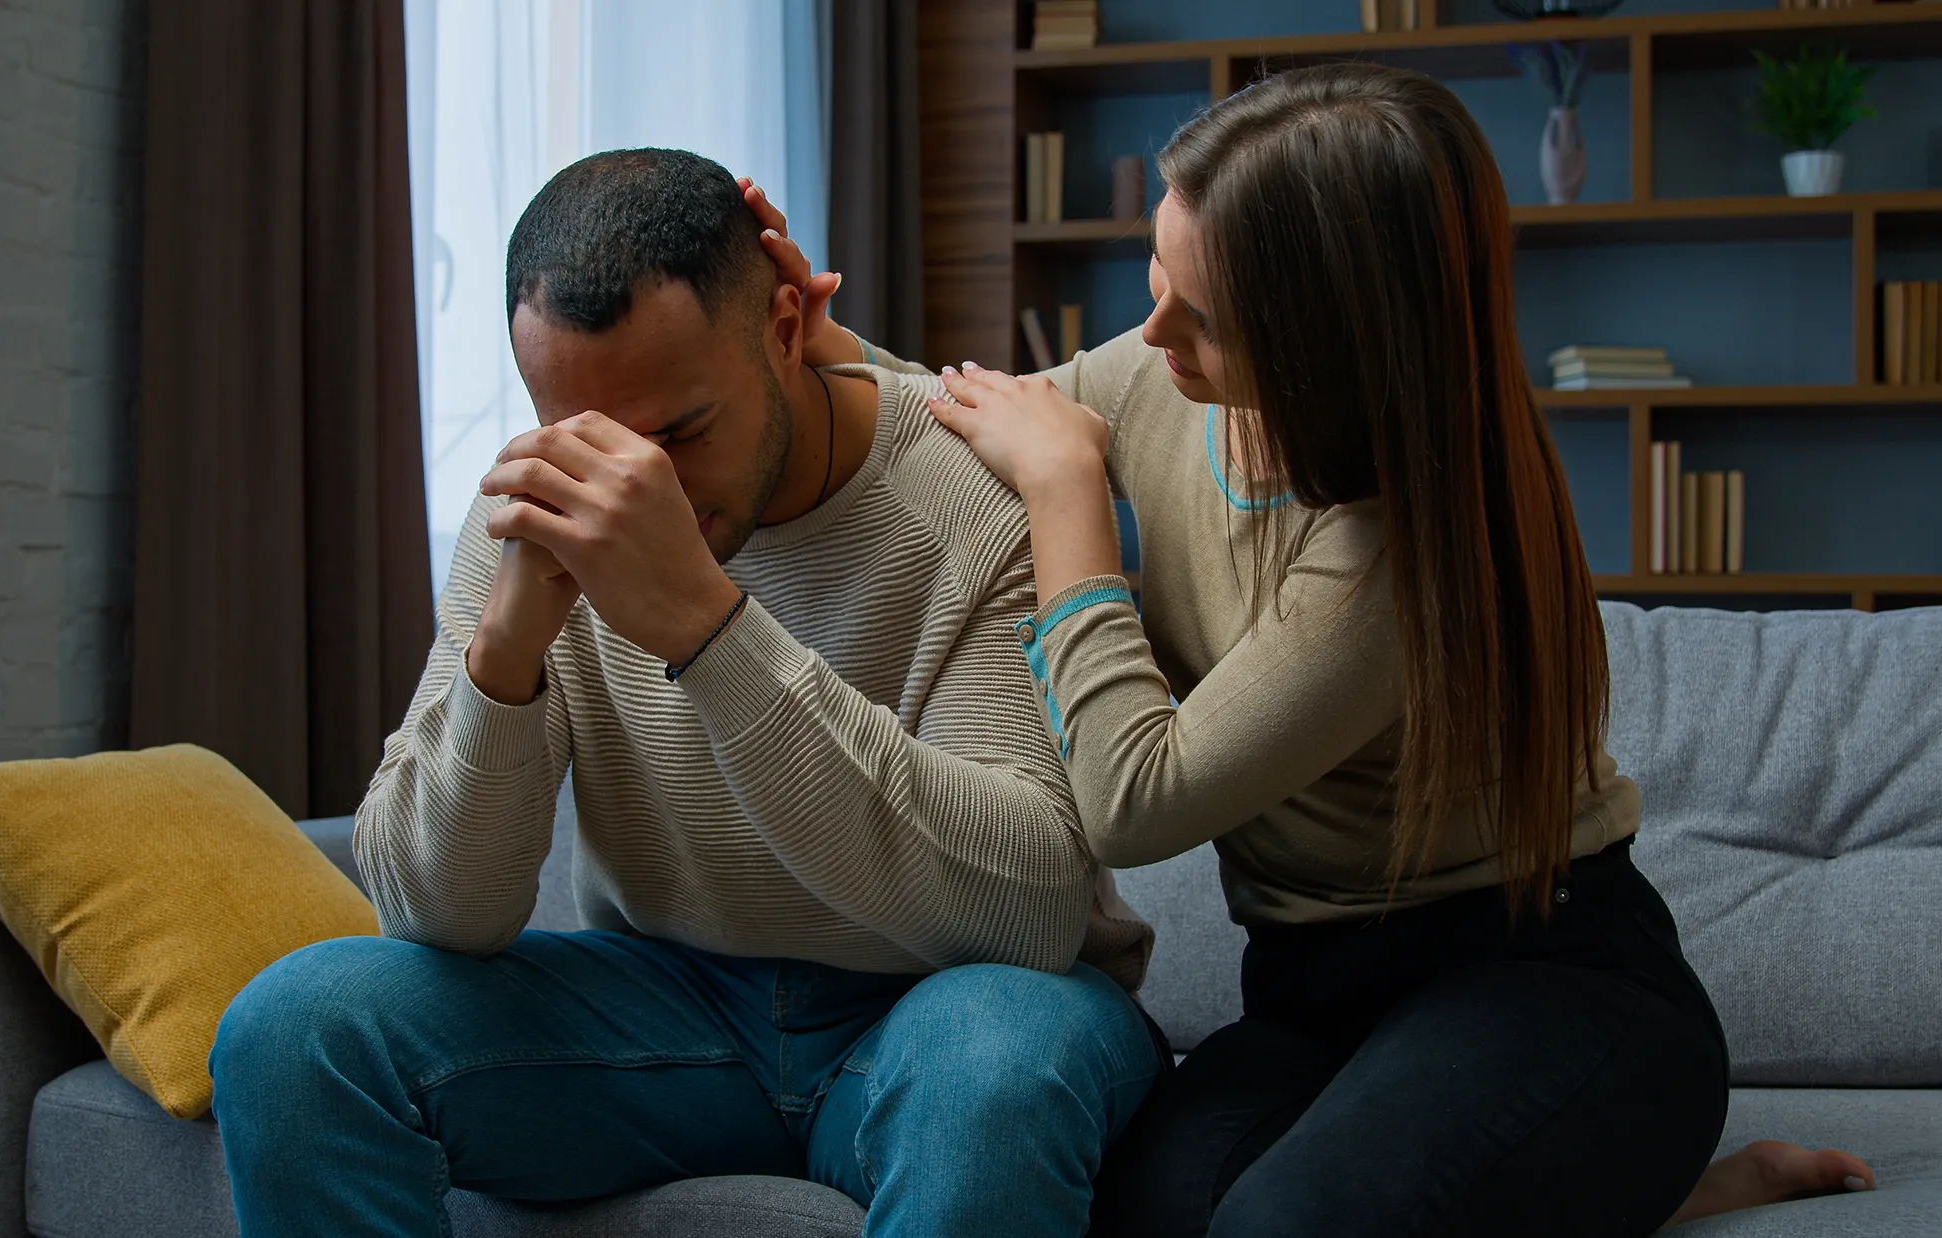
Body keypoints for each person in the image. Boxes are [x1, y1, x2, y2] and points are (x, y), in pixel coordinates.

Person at [750, 62, 1878, 1236]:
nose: (1149, 334)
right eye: (1159, 279)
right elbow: (961, 417)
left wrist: (1069, 499)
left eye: (1205, 320)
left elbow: (1137, 800)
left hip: (1548, 981)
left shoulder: (1405, 554)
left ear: (1332, 349)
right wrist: (813, 351)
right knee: (1141, 1208)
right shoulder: (1162, 376)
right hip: (1308, 991)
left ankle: (1631, 1170)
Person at [206, 148, 1167, 1238]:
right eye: (595, 439)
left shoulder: (980, 490)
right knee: (294, 1028)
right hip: (667, 1006)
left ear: (786, 325)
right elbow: (436, 912)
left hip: (949, 1001)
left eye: (679, 432)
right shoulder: (537, 514)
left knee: (992, 1073)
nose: (637, 487)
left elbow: (1028, 905)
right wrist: (506, 649)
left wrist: (711, 630)